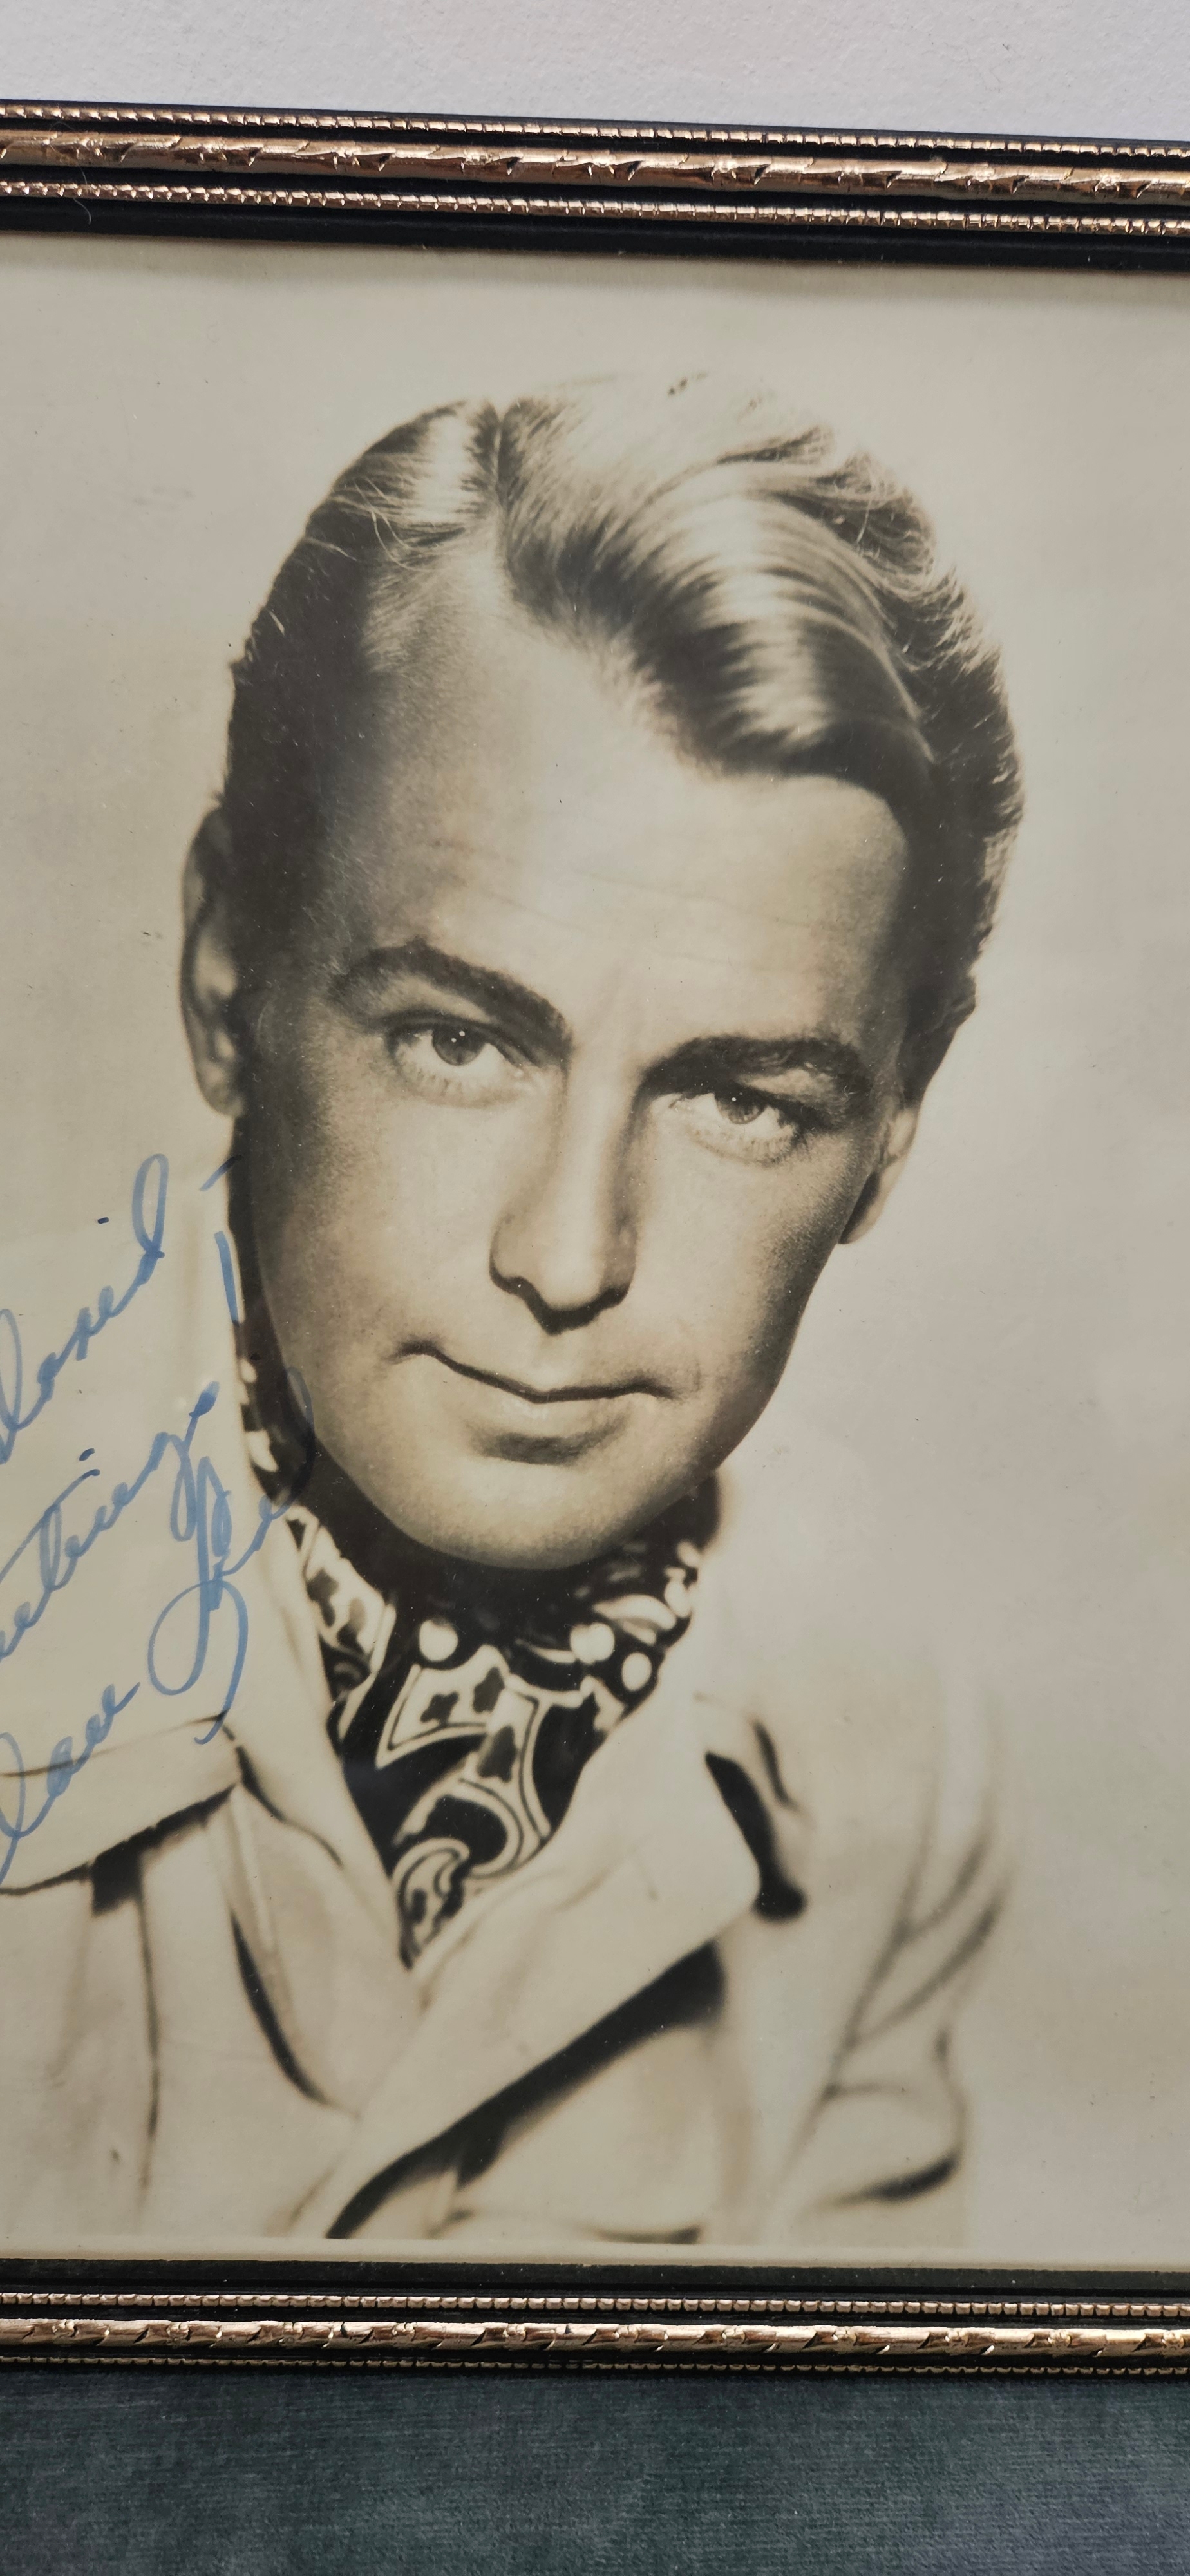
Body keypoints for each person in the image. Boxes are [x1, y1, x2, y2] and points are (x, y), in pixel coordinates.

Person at [0, 376, 1021, 2249]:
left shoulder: (885, 1772)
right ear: (227, 978)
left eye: (742, 1100)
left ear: (885, 1146)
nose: (566, 1259)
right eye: (460, 1040)